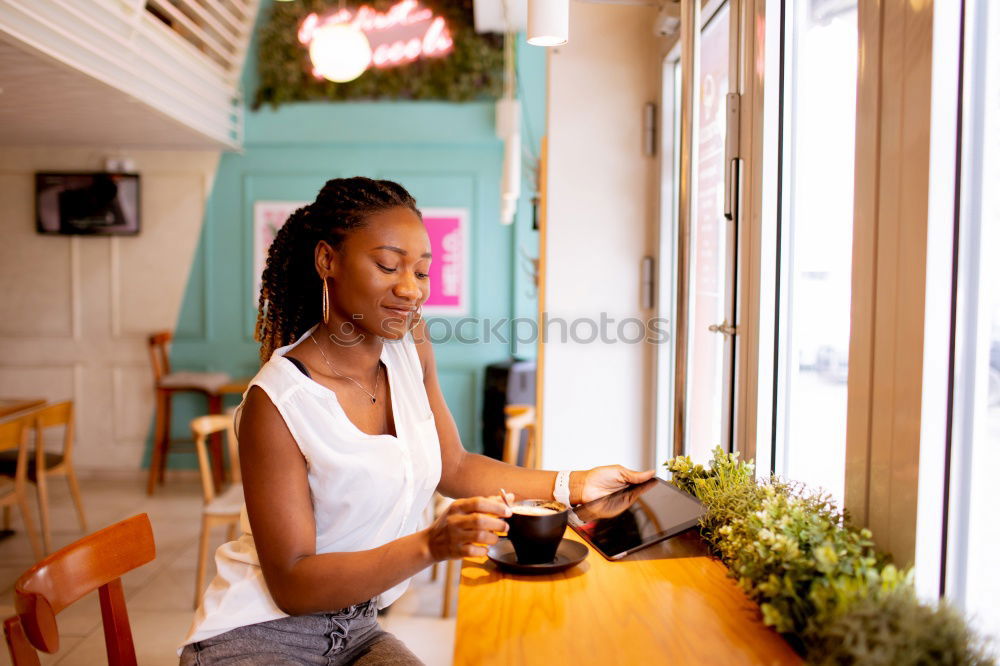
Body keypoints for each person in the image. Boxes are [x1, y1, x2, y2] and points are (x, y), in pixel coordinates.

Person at [179, 177, 654, 665]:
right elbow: (293, 585)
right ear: (328, 260)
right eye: (388, 265)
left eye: (422, 272)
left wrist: (574, 485)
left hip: (357, 628)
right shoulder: (276, 403)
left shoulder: (410, 346)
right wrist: (432, 543)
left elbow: (454, 464)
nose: (410, 289)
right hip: (260, 636)